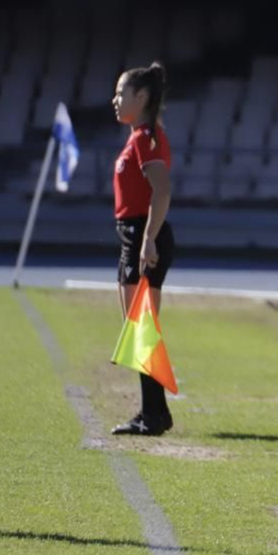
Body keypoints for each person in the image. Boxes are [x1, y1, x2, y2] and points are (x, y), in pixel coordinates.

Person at [110, 62, 177, 436]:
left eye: (122, 93)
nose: (115, 100)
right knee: (138, 330)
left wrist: (148, 238)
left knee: (141, 330)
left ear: (142, 97)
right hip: (133, 235)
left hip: (140, 235)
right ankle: (154, 411)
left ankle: (153, 415)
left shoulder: (143, 139)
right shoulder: (143, 135)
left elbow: (162, 189)